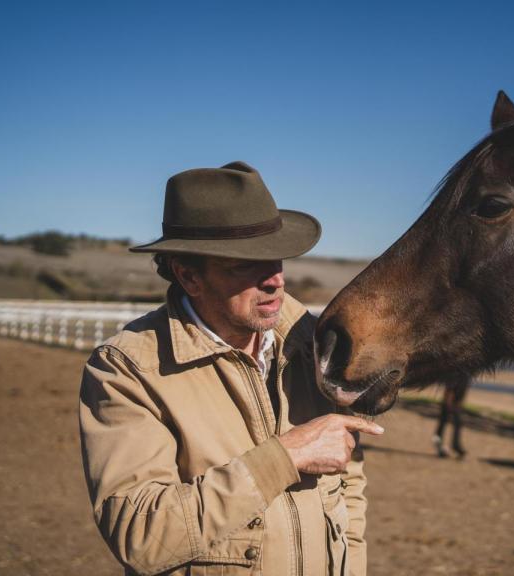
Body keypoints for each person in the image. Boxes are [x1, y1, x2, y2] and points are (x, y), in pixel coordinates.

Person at [79, 161, 381, 576]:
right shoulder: (128, 370)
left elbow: (349, 487)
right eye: (245, 265)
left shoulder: (311, 344)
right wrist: (284, 457)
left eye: (277, 257)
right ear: (189, 276)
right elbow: (141, 535)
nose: (275, 280)